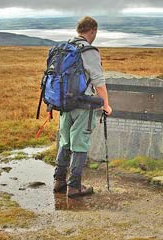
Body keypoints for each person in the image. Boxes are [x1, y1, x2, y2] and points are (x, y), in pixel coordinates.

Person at [53, 16, 112, 198]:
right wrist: (106, 105)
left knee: (65, 141)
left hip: (64, 104)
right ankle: (74, 186)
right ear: (92, 30)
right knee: (79, 143)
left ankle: (59, 181)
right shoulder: (89, 51)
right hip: (82, 104)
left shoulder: (64, 48)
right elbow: (99, 82)